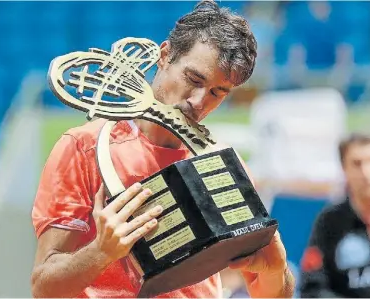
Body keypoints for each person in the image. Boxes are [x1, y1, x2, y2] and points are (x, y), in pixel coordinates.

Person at [31, 1, 295, 298]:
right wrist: (100, 252)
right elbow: (44, 288)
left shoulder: (222, 165)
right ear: (165, 55)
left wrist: (276, 273)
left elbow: (270, 291)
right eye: (194, 79)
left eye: (217, 93)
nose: (198, 101)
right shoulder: (84, 148)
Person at [300, 133, 370, 297]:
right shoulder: (330, 222)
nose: (366, 172)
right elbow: (312, 289)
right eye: (357, 164)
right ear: (344, 169)